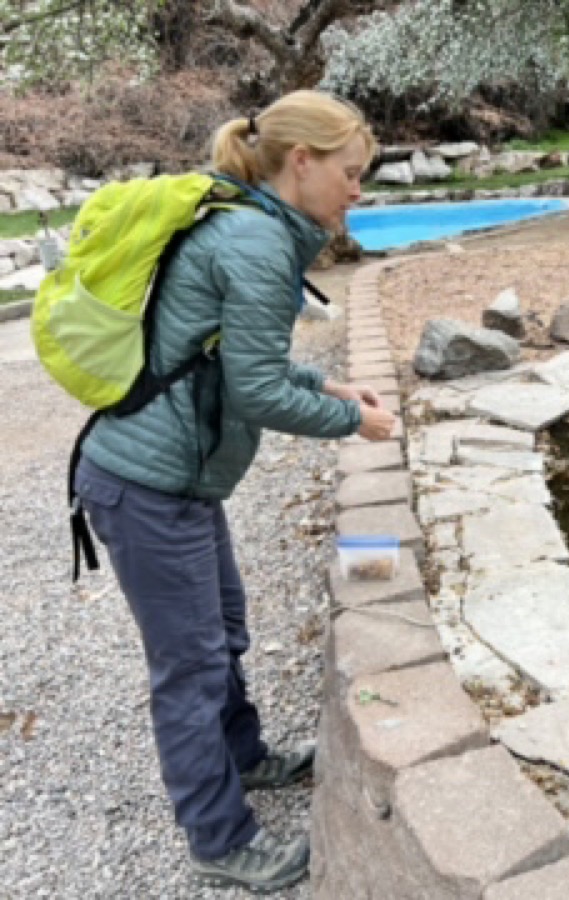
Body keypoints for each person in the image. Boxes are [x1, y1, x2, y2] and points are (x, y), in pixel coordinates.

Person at [72, 90, 396, 892]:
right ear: (303, 162)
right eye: (351, 174)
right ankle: (217, 838)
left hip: (173, 482)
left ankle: (246, 758)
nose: (359, 190)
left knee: (222, 629)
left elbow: (228, 360)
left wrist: (331, 384)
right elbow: (255, 394)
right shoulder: (254, 242)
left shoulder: (254, 226)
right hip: (148, 487)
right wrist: (350, 424)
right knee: (189, 668)